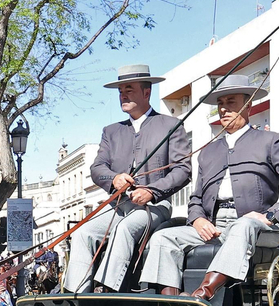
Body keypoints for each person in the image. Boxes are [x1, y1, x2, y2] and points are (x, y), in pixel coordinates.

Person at [140, 74, 279, 302]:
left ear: (248, 105)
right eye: (220, 104)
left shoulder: (269, 141)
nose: (224, 109)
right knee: (163, 237)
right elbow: (196, 198)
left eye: (231, 102)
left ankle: (202, 296)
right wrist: (198, 220)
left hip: (259, 229)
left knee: (243, 226)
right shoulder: (208, 152)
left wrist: (271, 215)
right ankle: (170, 305)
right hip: (215, 227)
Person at [65, 64, 193, 293]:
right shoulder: (111, 131)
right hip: (117, 206)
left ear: (147, 92)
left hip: (156, 206)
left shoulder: (171, 126)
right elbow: (97, 168)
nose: (123, 95)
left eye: (129, 89)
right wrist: (114, 179)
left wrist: (152, 191)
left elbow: (183, 170)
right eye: (120, 90)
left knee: (125, 229)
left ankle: (106, 291)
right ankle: (75, 296)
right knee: (82, 232)